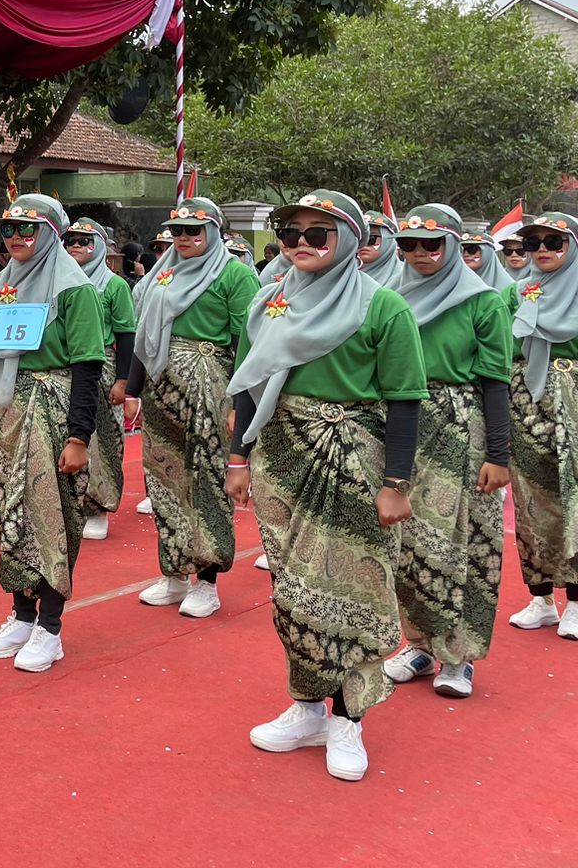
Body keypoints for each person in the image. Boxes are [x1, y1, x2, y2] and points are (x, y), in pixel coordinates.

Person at [225, 189, 425, 782]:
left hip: (353, 460)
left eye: (320, 233)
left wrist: (395, 483)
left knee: (350, 589)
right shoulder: (269, 301)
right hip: (280, 457)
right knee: (293, 588)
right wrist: (237, 459)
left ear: (352, 240)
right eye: (291, 234)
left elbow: (407, 400)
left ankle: (348, 720)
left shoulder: (383, 306)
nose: (303, 245)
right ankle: (307, 706)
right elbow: (248, 382)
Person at [0, 195, 104, 672]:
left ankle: (50, 628)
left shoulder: (73, 288)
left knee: (53, 518)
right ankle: (22, 616)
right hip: (7, 412)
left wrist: (79, 437)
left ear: (51, 234)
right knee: (12, 516)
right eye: (9, 230)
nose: (18, 239)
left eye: (29, 230)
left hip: (53, 412)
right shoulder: (1, 285)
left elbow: (88, 366)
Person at [385, 204, 512, 698]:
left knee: (461, 540)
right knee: (406, 543)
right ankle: (418, 643)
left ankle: (457, 655)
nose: (419, 254)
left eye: (431, 244)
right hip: (399, 423)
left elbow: (496, 382)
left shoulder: (484, 302)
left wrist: (498, 456)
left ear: (456, 246)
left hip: (460, 428)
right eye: (408, 245)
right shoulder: (387, 297)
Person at [125, 197, 258, 617]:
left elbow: (247, 345)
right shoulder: (160, 276)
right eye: (178, 231)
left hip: (210, 388)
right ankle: (175, 572)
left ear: (214, 233)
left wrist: (243, 405)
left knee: (207, 479)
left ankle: (208, 580)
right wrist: (134, 389)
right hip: (162, 387)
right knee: (164, 476)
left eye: (193, 231)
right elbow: (144, 335)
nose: (183, 238)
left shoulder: (235, 276)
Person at [502, 210, 578, 639]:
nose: (543, 251)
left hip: (575, 407)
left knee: (574, 499)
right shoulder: (516, 293)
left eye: (555, 243)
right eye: (534, 244)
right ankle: (542, 597)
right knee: (529, 499)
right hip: (525, 404)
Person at [63, 217, 136, 541]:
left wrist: (123, 381)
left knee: (103, 440)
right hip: (64, 366)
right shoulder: (60, 281)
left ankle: (98, 505)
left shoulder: (114, 285)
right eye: (71, 240)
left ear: (99, 247)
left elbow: (126, 335)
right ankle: (71, 505)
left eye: (85, 241)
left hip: (101, 366)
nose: (76, 246)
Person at [357, 210, 404, 288]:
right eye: (360, 240)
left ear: (388, 241)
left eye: (371, 238)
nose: (364, 245)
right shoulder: (343, 275)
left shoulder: (406, 277)